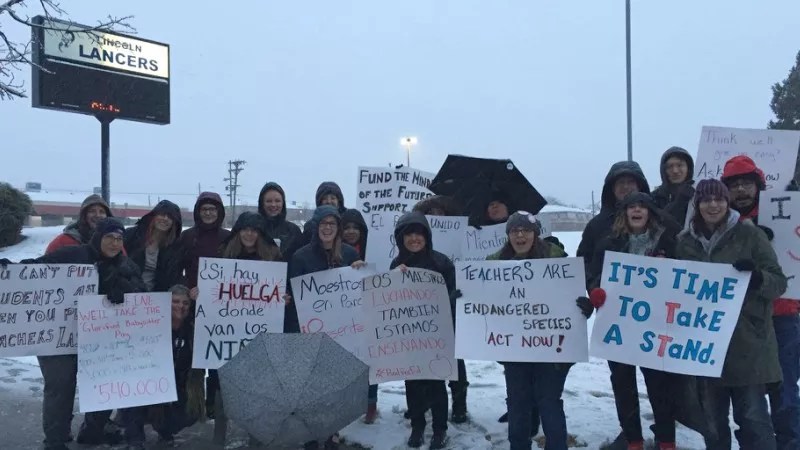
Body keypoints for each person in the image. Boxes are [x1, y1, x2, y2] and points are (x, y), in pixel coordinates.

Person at [676, 179, 786, 449]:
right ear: (697, 205)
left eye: (719, 200)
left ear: (727, 203)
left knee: (753, 421)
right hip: (705, 349)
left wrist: (758, 277)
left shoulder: (750, 235)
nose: (713, 205)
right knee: (712, 425)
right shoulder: (684, 243)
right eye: (706, 200)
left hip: (747, 344)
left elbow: (779, 282)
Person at [20, 218, 146, 450]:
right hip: (60, 337)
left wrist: (125, 291)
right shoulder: (72, 255)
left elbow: (141, 295)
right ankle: (55, 441)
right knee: (61, 386)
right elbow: (37, 270)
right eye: (109, 237)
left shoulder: (126, 266)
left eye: (119, 239)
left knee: (105, 385)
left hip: (101, 342)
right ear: (98, 237)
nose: (114, 243)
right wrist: (14, 270)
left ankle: (92, 430)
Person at [579, 192, 679, 450]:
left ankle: (666, 439)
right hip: (619, 325)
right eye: (631, 207)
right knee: (623, 384)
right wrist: (595, 290)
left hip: (656, 326)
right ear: (624, 213)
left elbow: (685, 274)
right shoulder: (609, 243)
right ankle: (633, 438)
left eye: (642, 207)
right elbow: (595, 273)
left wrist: (668, 265)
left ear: (650, 212)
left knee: (660, 386)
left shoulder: (667, 240)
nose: (636, 211)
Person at [720, 156, 800, 448]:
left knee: (785, 391)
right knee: (748, 396)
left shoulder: (787, 212)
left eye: (747, 183)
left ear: (759, 186)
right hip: (741, 320)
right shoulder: (720, 221)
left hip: (781, 314)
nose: (741, 190)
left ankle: (791, 443)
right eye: (735, 184)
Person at [575, 161, 649, 450]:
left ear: (641, 186)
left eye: (632, 182)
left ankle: (665, 431)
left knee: (659, 380)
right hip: (616, 316)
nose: (626, 188)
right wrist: (594, 288)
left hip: (656, 318)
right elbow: (583, 261)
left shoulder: (659, 219)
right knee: (622, 378)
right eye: (620, 183)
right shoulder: (598, 225)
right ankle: (631, 434)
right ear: (610, 188)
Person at [489, 211, 572, 450]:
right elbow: (481, 293)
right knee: (518, 402)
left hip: (552, 348)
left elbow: (574, 295)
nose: (520, 235)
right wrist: (465, 295)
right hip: (515, 349)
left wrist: (583, 305)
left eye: (526, 230)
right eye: (514, 231)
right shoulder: (494, 263)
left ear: (536, 234)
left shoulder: (558, 260)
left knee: (549, 402)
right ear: (508, 236)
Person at [285, 205, 363, 450]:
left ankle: (330, 432)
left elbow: (360, 291)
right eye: (323, 223)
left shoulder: (350, 255)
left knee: (333, 386)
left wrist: (361, 273)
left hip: (341, 333)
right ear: (316, 227)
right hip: (308, 332)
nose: (327, 228)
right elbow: (293, 295)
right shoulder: (301, 256)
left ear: (338, 228)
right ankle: (310, 434)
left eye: (332, 224)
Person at [211, 212, 282, 446]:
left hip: (258, 336)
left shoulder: (273, 258)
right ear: (238, 232)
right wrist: (200, 293)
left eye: (254, 230)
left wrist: (283, 298)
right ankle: (219, 436)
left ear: (260, 234)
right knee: (223, 388)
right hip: (226, 336)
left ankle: (256, 437)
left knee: (257, 389)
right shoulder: (223, 255)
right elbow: (213, 289)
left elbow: (280, 288)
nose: (249, 234)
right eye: (245, 229)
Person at [390, 211, 457, 449]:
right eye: (409, 234)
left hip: (437, 335)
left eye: (419, 233)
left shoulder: (442, 263)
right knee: (413, 384)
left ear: (427, 236)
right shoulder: (397, 265)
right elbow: (390, 300)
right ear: (401, 238)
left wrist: (450, 300)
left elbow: (452, 295)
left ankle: (440, 429)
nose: (414, 239)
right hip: (409, 336)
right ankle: (418, 426)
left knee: (437, 383)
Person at [121, 285, 203, 449]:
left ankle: (165, 429)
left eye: (186, 303)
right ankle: (135, 439)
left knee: (191, 413)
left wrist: (199, 299)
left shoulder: (194, 329)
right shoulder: (151, 324)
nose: (181, 306)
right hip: (148, 383)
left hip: (177, 385)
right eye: (176, 301)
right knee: (131, 393)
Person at [412, 195, 471, 424]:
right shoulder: (415, 243)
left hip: (453, 310)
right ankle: (424, 402)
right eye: (431, 214)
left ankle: (459, 404)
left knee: (455, 361)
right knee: (425, 359)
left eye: (440, 213)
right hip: (421, 315)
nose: (436, 218)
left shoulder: (458, 238)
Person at [178, 192, 230, 418]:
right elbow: (176, 268)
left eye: (213, 209)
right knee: (195, 359)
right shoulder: (187, 237)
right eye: (204, 209)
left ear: (219, 212)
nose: (208, 213)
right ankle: (194, 406)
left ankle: (214, 404)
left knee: (219, 359)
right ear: (198, 212)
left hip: (222, 308)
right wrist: (187, 289)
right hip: (194, 306)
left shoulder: (228, 237)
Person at [340, 208, 379, 424]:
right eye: (346, 227)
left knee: (370, 358)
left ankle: (371, 401)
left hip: (371, 311)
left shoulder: (375, 249)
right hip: (344, 314)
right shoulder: (337, 252)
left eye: (356, 227)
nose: (351, 231)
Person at [123, 200, 184, 292]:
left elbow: (175, 276)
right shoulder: (132, 235)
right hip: (129, 293)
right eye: (162, 214)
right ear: (153, 216)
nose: (165, 218)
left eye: (170, 217)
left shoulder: (175, 246)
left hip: (157, 297)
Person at [45, 194, 113, 253]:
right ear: (84, 215)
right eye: (92, 211)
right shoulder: (63, 241)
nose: (97, 215)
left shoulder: (115, 241)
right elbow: (45, 265)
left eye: (102, 212)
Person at [257, 182, 304, 260]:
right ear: (262, 204)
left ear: (283, 203)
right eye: (269, 201)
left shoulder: (294, 231)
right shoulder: (254, 229)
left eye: (277, 201)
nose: (273, 205)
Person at [651, 146, 695, 227]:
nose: (675, 171)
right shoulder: (654, 198)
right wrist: (679, 202)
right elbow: (658, 225)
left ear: (688, 168)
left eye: (680, 165)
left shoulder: (699, 195)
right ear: (664, 170)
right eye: (670, 166)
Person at [299, 181, 348, 247]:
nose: (329, 201)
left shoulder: (348, 222)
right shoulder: (310, 227)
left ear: (339, 201)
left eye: (333, 198)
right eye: (325, 198)